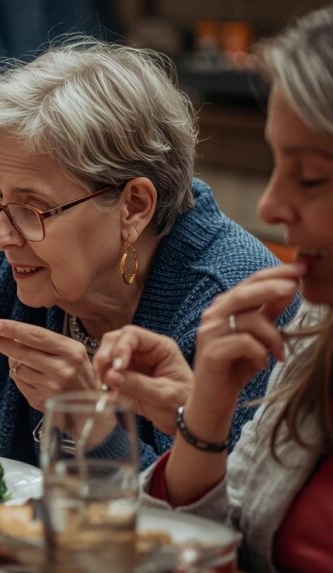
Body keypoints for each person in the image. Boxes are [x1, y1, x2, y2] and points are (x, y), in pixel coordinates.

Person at [0, 38, 295, 468]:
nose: (0, 236)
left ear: (134, 206)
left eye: (32, 207)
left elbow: (217, 519)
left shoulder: (236, 310)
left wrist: (93, 425)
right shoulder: (5, 260)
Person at [93, 7, 333, 571]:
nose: (270, 206)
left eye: (311, 177)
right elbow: (218, 548)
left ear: (134, 206)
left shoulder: (232, 282)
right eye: (276, 166)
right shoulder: (317, 329)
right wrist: (205, 411)